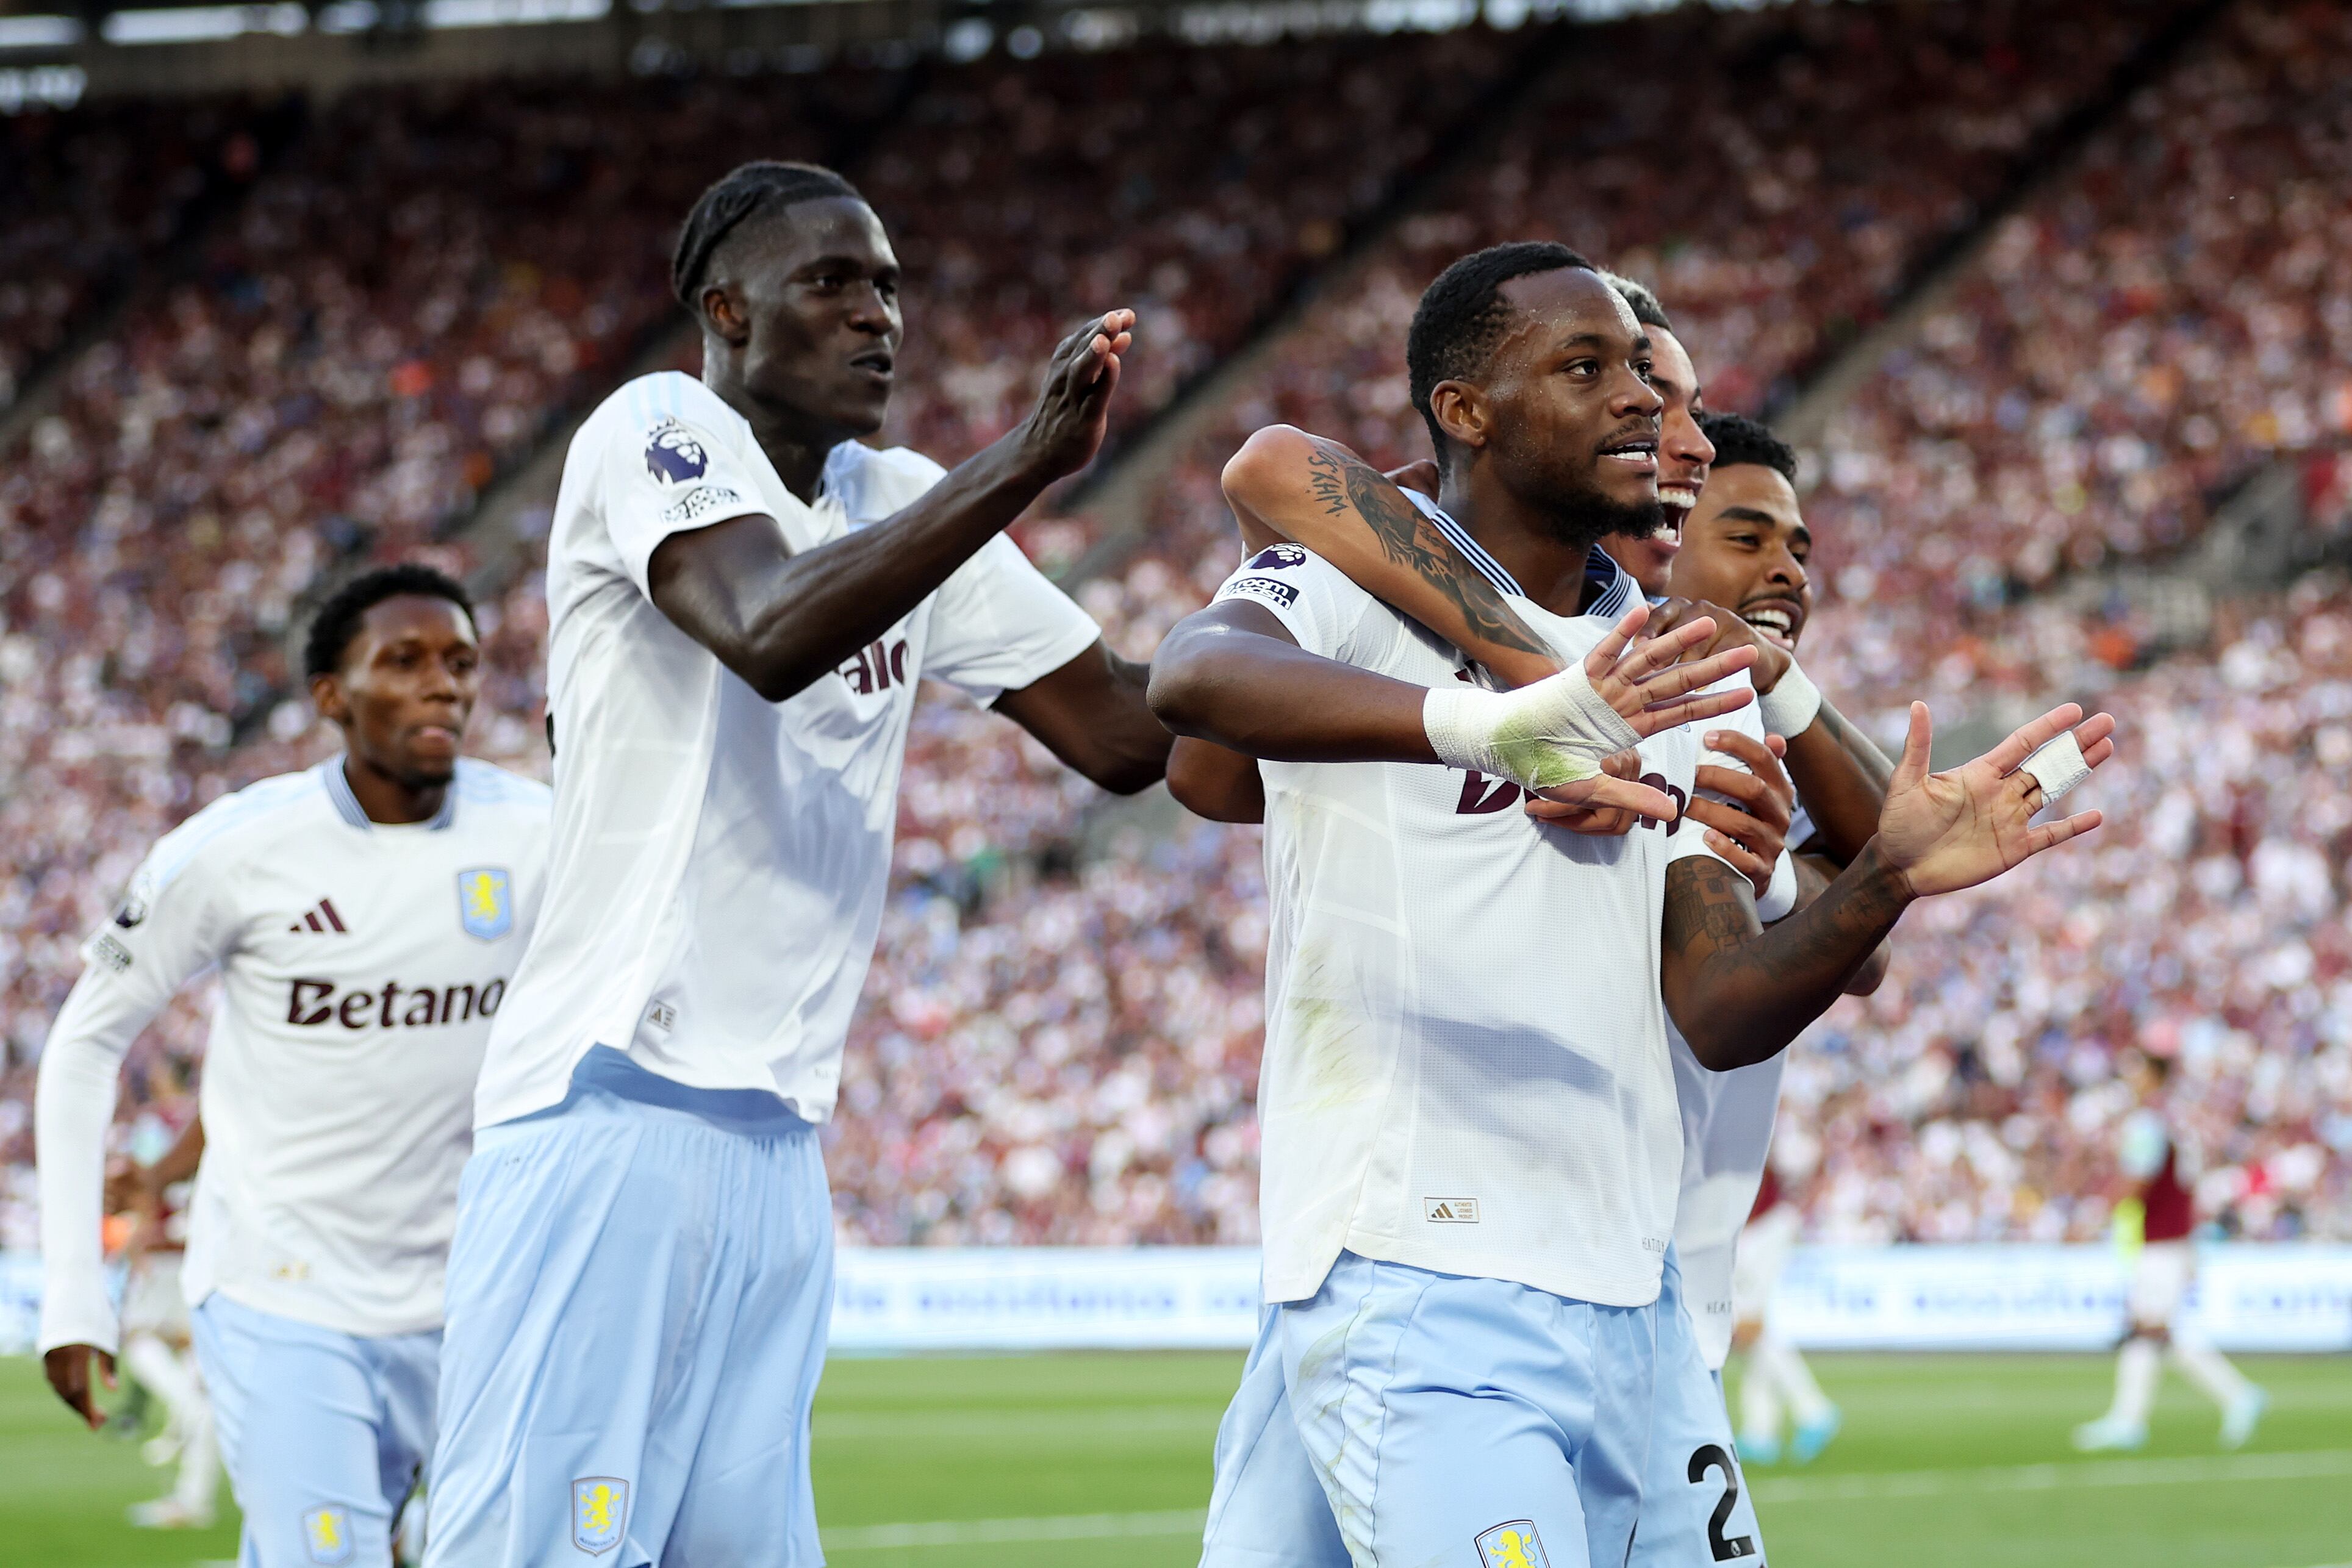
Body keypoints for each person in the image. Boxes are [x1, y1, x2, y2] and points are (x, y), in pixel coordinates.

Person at [1154, 240, 2114, 1568]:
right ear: (1465, 411)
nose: (1640, 406)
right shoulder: (1365, 585)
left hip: (1636, 1303)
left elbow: (1718, 1008)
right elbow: (1195, 676)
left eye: (1644, 375)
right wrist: (1489, 727)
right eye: (1587, 366)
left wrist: (1884, 876)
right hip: (1424, 1274)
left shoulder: (1680, 667)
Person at [421, 160, 1170, 1567]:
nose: (877, 315)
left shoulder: (891, 496)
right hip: (608, 1105)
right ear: (726, 307)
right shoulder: (655, 426)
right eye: (831, 283)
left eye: (887, 285)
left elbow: (1125, 733)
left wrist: (1424, 706)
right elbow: (769, 629)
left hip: (777, 1140)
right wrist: (1019, 463)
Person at [38, 564, 553, 1568]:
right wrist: (72, 1290)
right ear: (331, 695)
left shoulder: (540, 834)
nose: (442, 684)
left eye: (460, 663)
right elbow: (84, 1042)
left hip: (480, 1297)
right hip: (283, 1291)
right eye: (401, 662)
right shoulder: (236, 850)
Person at [2073, 1050, 2268, 1452]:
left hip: (2162, 1241)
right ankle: (2139, 1417)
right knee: (2152, 1330)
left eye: (2137, 1069)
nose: (2131, 1076)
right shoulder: (2176, 1120)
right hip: (2171, 1238)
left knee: (2150, 1329)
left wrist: (2094, 1216)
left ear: (2153, 1075)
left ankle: (2139, 1418)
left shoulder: (2149, 1122)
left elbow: (2137, 1179)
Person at [108, 1115, 223, 1530]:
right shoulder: (204, 1171)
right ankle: (191, 1496)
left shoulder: (173, 1179)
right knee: (201, 1394)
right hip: (198, 1274)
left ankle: (184, 1423)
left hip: (181, 1274)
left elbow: (140, 1208)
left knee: (150, 1352)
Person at [1729, 1139, 1839, 1465]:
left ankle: (1814, 1410)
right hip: (1759, 1227)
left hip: (1764, 1228)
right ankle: (1760, 1432)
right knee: (1750, 1334)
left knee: (1748, 1326)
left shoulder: (1755, 1130)